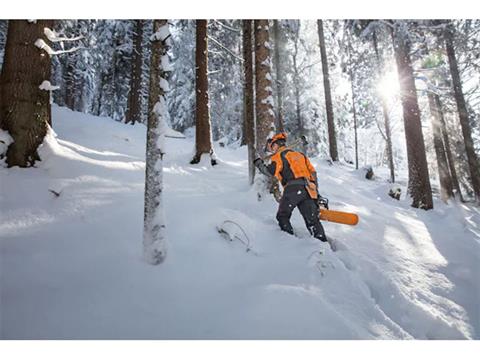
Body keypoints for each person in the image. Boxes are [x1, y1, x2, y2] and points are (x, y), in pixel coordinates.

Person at [254, 132, 328, 242]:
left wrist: (259, 164)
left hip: (293, 189)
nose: (272, 149)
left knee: (282, 216)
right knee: (312, 221)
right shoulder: (300, 156)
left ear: (277, 144)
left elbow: (270, 172)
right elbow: (313, 174)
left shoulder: (278, 156)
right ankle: (322, 245)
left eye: (273, 146)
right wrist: (316, 193)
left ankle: (289, 244)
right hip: (308, 190)